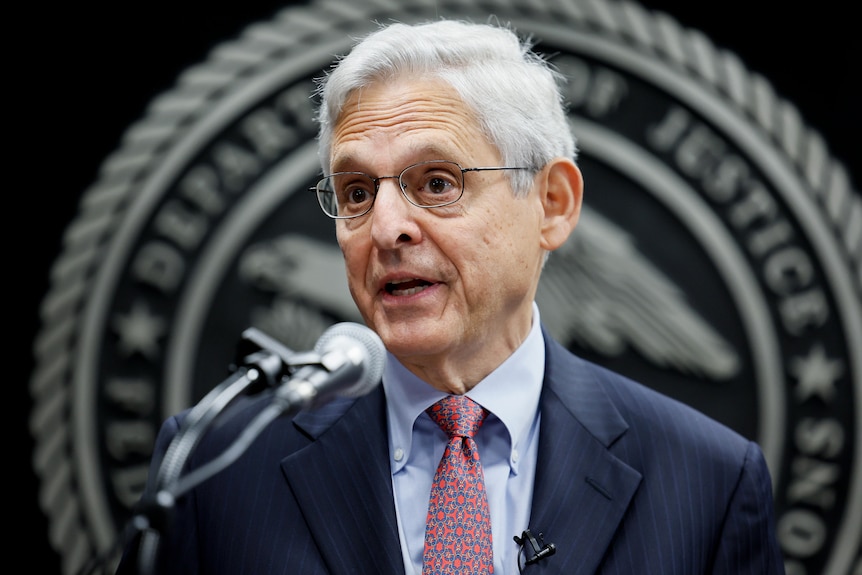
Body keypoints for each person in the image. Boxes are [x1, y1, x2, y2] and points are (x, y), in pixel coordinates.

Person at [116, 18, 785, 575]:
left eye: (436, 182)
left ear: (552, 204)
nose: (385, 227)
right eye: (355, 192)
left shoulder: (709, 482)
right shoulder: (215, 470)